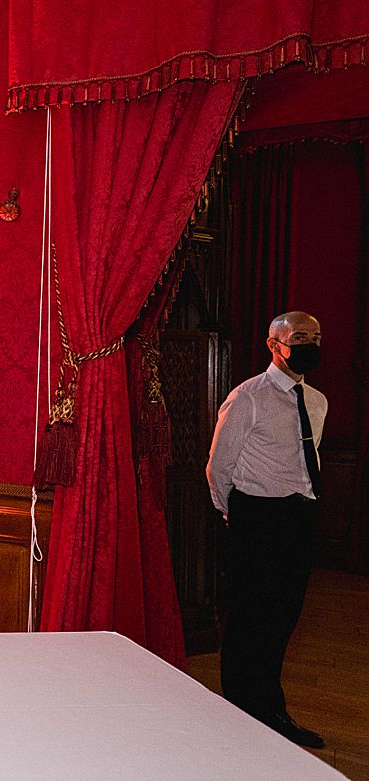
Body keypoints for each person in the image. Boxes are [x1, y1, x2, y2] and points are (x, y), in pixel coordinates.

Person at [206, 311, 326, 748]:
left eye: (315, 337)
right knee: (247, 622)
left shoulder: (316, 400)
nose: (309, 344)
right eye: (299, 337)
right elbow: (218, 467)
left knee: (282, 619)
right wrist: (232, 515)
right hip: (255, 519)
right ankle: (239, 716)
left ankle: (272, 711)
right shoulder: (247, 398)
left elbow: (306, 464)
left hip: (298, 518)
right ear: (274, 345)